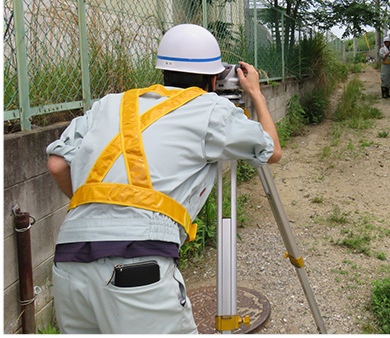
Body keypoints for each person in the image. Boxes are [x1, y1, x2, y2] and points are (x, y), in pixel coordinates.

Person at [45, 23, 282, 334]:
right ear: (213, 79)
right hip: (136, 264)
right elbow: (272, 150)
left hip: (68, 263)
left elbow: (57, 164)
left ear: (163, 72)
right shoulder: (210, 108)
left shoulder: (109, 103)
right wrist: (256, 95)